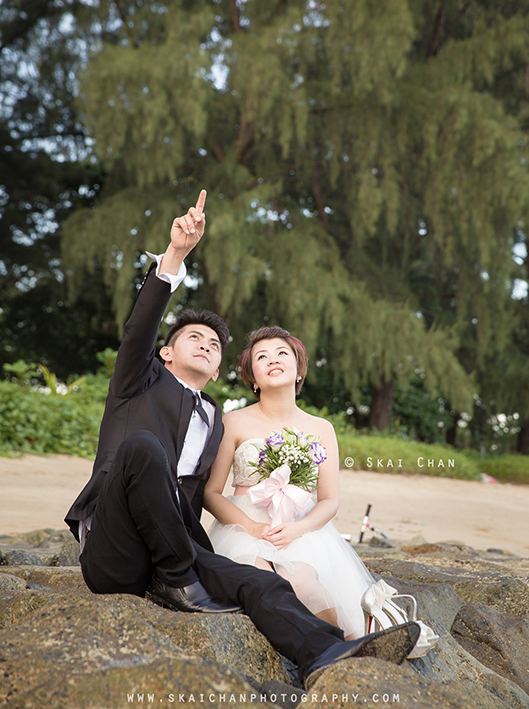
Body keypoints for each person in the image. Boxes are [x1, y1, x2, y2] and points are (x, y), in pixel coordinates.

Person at [65, 190, 420, 685]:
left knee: (261, 581)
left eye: (215, 345)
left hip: (179, 552)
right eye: (195, 338)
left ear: (220, 371)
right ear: (165, 355)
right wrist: (175, 258)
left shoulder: (216, 416)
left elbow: (205, 492)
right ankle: (182, 581)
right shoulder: (135, 383)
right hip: (117, 552)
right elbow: (139, 331)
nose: (208, 346)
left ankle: (325, 655)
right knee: (143, 447)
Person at [204, 327, 437, 656]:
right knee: (260, 578)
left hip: (302, 528)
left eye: (282, 353)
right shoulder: (233, 422)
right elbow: (211, 492)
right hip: (243, 525)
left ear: (298, 369)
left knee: (303, 584)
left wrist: (298, 528)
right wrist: (252, 527)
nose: (273, 359)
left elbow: (329, 500)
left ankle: (350, 649)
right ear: (251, 376)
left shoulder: (320, 428)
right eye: (262, 356)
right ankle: (324, 653)